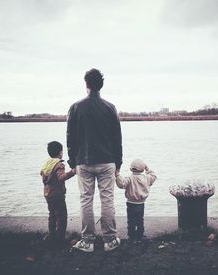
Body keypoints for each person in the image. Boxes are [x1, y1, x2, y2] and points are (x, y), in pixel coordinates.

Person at [67, 68, 122, 252]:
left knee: (86, 200)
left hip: (83, 160)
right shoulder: (110, 107)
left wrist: (72, 162)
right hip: (107, 161)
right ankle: (109, 240)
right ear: (101, 85)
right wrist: (118, 164)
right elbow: (117, 138)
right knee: (107, 200)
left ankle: (88, 241)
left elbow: (70, 137)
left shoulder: (75, 107)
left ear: (86, 85)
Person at [40, 141, 75, 243]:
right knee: (62, 215)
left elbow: (43, 176)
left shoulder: (47, 164)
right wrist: (72, 172)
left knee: (52, 214)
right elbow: (61, 177)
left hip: (47, 194)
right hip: (57, 194)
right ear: (60, 152)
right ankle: (60, 237)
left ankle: (52, 234)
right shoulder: (59, 164)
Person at [116, 159, 157, 243]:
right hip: (141, 203)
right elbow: (153, 176)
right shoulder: (146, 178)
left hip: (130, 203)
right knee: (140, 220)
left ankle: (131, 236)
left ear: (131, 169)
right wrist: (147, 169)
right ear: (142, 169)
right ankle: (140, 236)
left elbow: (121, 184)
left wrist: (117, 175)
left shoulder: (129, 178)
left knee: (131, 220)